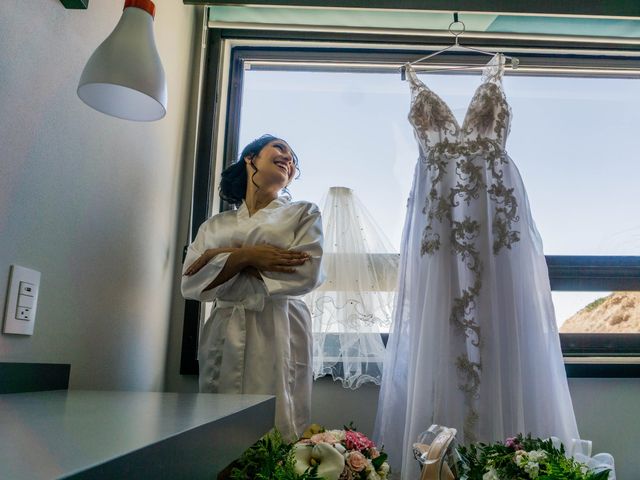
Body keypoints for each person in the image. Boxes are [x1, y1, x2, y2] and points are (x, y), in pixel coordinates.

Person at [181, 134, 324, 440]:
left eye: (293, 159)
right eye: (280, 148)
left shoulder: (303, 213)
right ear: (251, 158)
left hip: (278, 326)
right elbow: (191, 283)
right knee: (218, 431)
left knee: (276, 429)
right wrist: (248, 256)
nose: (289, 158)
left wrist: (221, 258)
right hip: (225, 327)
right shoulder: (216, 225)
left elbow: (306, 273)